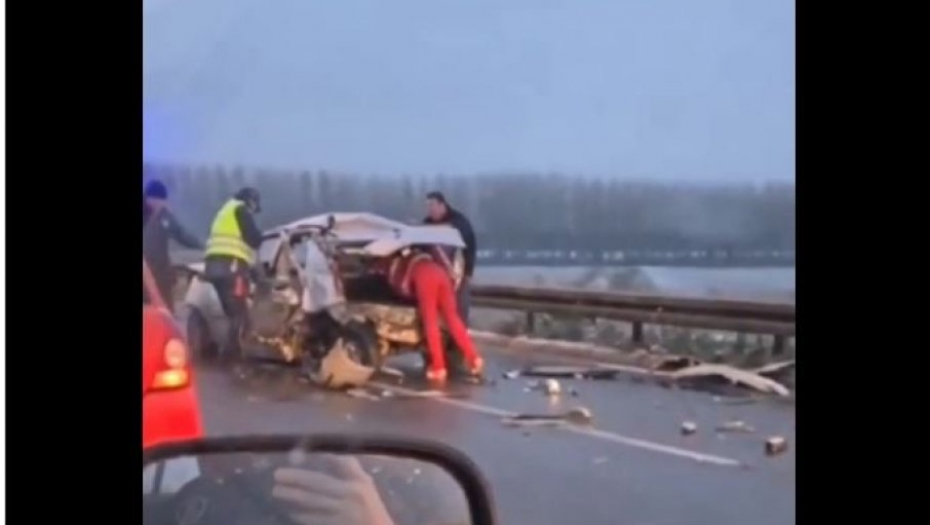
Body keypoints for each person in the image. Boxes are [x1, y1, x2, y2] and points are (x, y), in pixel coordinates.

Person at [375, 246, 483, 383]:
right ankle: (474, 358)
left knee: (430, 323)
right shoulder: (417, 254)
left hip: (424, 279)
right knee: (452, 319)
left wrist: (408, 296)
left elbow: (402, 286)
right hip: (440, 274)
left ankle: (439, 367)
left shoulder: (394, 265)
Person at [203, 187, 265, 360]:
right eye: (255, 207)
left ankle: (229, 351)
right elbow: (253, 238)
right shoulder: (240, 209)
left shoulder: (225, 211)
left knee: (232, 312)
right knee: (239, 313)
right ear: (251, 201)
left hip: (214, 268)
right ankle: (232, 355)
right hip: (231, 267)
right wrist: (261, 237)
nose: (254, 212)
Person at [143, 180, 204, 312]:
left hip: (160, 274)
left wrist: (201, 246)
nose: (163, 204)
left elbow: (181, 234)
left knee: (165, 311)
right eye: (161, 200)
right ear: (152, 199)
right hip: (148, 273)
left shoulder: (165, 218)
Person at [423, 192, 477, 324]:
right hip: (435, 276)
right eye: (428, 206)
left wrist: (468, 272)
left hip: (458, 273)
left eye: (433, 205)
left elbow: (470, 247)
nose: (430, 210)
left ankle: (459, 336)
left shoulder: (459, 222)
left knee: (459, 310)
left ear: (442, 205)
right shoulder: (426, 224)